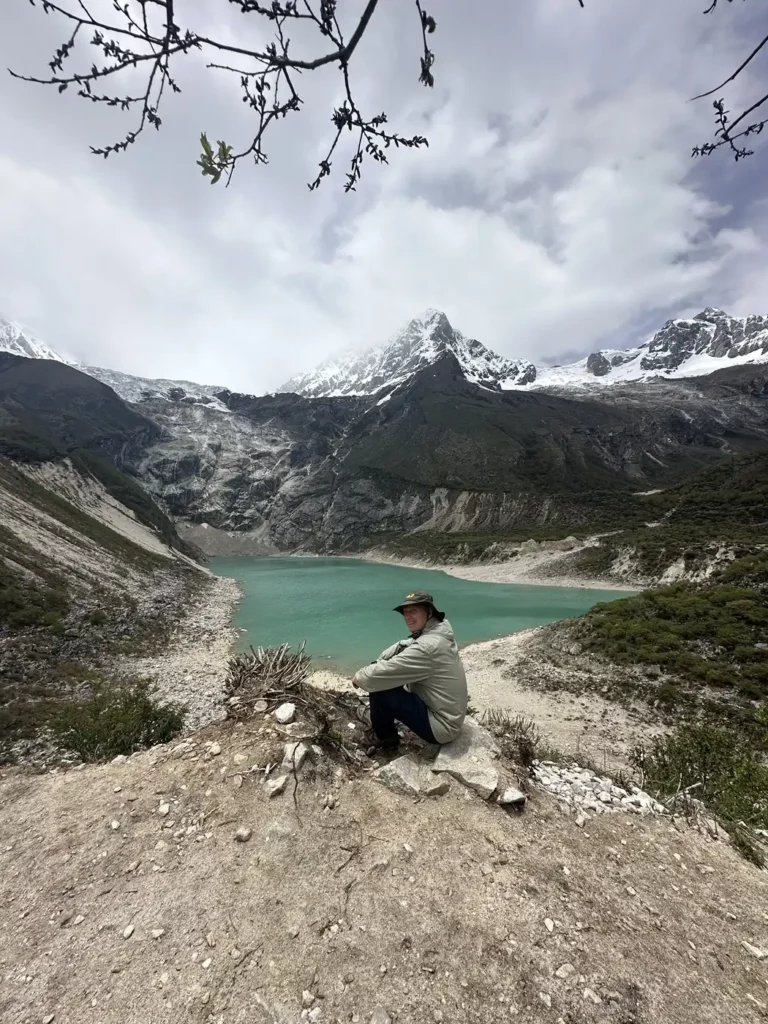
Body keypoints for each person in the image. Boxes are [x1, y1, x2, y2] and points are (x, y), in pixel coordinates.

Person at [352, 590, 467, 753]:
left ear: (429, 612)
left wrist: (358, 677)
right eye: (405, 613)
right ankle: (385, 726)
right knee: (381, 673)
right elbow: (408, 643)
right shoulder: (439, 633)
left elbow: (377, 676)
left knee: (380, 688)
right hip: (446, 713)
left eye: (414, 611)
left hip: (442, 727)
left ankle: (386, 739)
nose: (408, 617)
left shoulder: (427, 647)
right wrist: (382, 659)